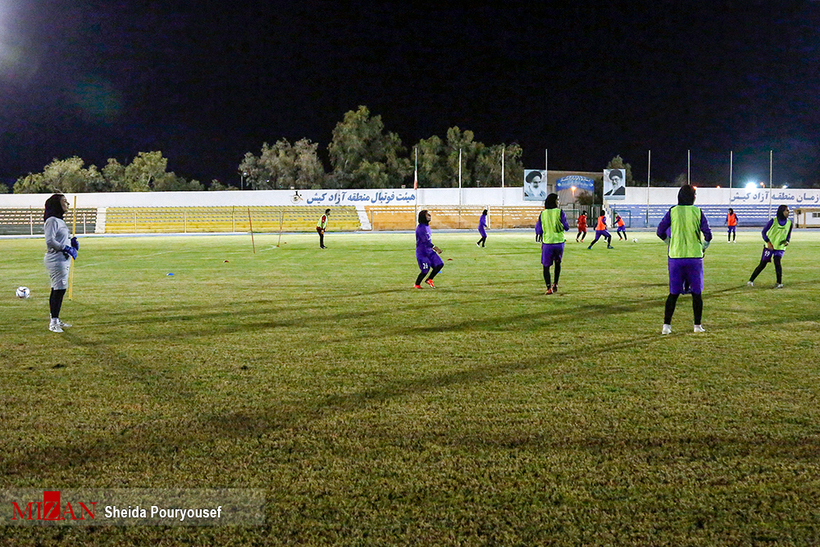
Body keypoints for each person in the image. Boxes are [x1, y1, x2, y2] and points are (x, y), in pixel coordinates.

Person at [656, 185, 712, 334]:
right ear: (692, 196)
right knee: (696, 293)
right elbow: (708, 234)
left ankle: (666, 327)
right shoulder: (698, 211)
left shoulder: (672, 211)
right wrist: (704, 247)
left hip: (675, 257)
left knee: (673, 293)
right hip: (694, 257)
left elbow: (660, 231)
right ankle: (697, 326)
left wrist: (669, 242)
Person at [43, 193, 78, 333]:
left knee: (59, 289)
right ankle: (53, 322)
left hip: (62, 258)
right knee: (59, 289)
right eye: (64, 201)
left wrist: (72, 243)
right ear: (57, 204)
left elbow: (60, 238)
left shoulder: (59, 221)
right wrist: (65, 247)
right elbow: (50, 241)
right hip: (56, 258)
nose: (67, 204)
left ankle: (56, 319)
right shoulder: (52, 220)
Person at [747, 205, 792, 288]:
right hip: (769, 247)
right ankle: (751, 280)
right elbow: (763, 232)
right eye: (787, 210)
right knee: (763, 264)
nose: (788, 212)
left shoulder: (789, 223)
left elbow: (788, 235)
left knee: (777, 262)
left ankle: (779, 283)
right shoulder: (773, 221)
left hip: (780, 248)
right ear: (782, 211)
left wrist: (787, 241)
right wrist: (768, 242)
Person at [535, 193, 569, 295]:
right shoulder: (560, 212)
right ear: (554, 201)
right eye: (557, 200)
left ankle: (548, 288)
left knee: (546, 266)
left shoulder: (543, 214)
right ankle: (556, 284)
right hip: (559, 242)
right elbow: (566, 227)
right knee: (558, 263)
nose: (558, 202)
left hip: (548, 243)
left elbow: (538, 229)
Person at [414, 209, 444, 288]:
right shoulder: (420, 228)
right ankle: (417, 284)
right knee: (425, 270)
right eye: (427, 215)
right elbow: (425, 241)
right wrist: (436, 248)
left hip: (429, 251)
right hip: (422, 253)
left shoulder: (427, 226)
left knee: (440, 264)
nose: (429, 216)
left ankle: (429, 279)